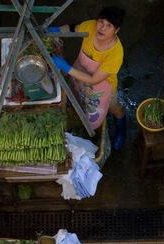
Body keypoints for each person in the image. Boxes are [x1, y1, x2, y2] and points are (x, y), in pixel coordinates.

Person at [49, 7, 128, 150]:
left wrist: (65, 67)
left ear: (116, 30)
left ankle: (121, 130)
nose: (102, 28)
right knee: (78, 99)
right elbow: (73, 28)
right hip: (78, 75)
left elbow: (93, 80)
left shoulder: (115, 53)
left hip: (101, 87)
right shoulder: (91, 26)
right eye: (101, 22)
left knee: (113, 107)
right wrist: (57, 30)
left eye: (108, 26)